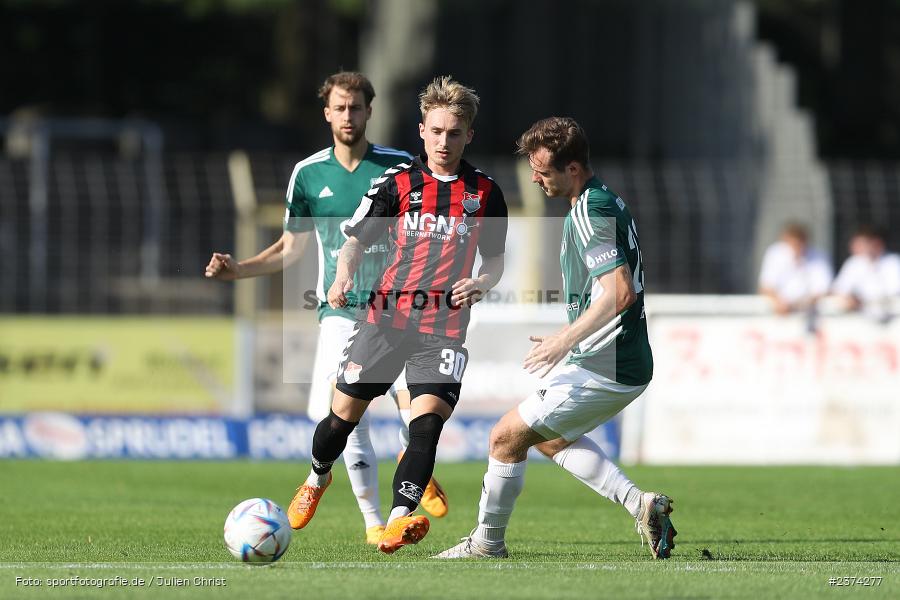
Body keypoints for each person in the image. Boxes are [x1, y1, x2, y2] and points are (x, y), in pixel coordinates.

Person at [204, 71, 448, 545]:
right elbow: (290, 249)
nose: (348, 116)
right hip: (340, 309)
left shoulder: (401, 165)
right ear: (327, 113)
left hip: (400, 308)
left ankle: (409, 460)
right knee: (343, 414)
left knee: (413, 407)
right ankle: (375, 523)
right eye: (340, 107)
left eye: (356, 107)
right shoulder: (309, 173)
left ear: (369, 111)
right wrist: (240, 270)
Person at [436, 117, 676, 560]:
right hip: (611, 358)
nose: (534, 177)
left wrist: (565, 339)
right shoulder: (600, 200)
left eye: (543, 171)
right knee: (549, 438)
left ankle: (487, 543)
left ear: (572, 169)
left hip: (609, 364)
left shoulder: (590, 210)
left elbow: (619, 291)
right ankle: (641, 505)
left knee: (504, 437)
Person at [287, 76, 508, 555]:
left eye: (454, 133)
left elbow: (494, 260)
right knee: (340, 421)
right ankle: (316, 476)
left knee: (425, 427)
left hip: (443, 330)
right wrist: (343, 277)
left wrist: (483, 283)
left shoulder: (486, 193)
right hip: (386, 320)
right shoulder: (398, 184)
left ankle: (396, 520)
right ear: (421, 132)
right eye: (436, 131)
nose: (444, 141)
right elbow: (353, 243)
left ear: (468, 134)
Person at [758, 223, 833, 315]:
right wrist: (779, 303)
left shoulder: (819, 257)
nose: (796, 247)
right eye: (793, 244)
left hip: (809, 313)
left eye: (799, 244)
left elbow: (823, 289)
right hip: (778, 313)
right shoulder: (775, 253)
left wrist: (801, 304)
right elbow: (766, 286)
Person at [832, 225, 900, 321]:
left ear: (877, 243)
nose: (855, 248)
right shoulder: (854, 263)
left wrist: (864, 301)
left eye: (861, 244)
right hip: (860, 318)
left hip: (891, 318)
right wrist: (850, 299)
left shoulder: (893, 262)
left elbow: (894, 292)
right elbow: (839, 289)